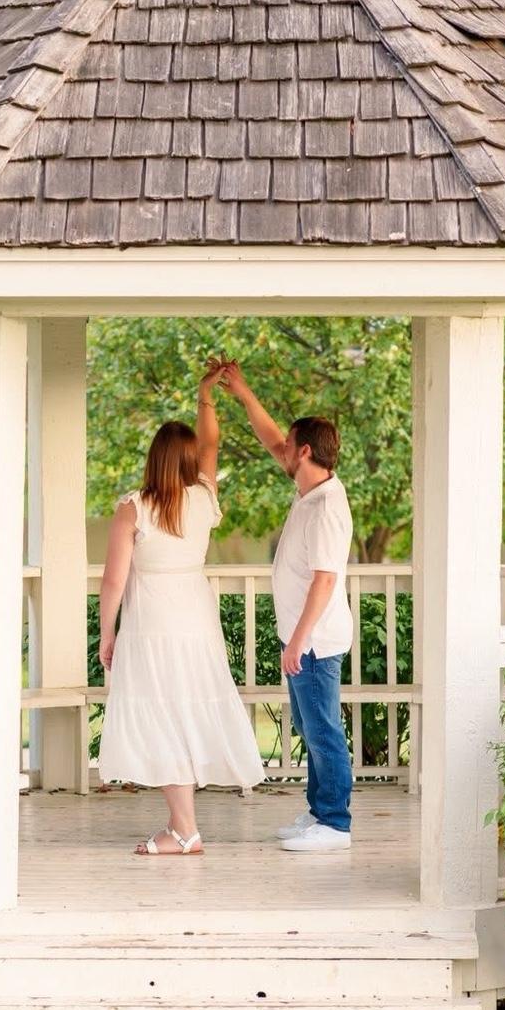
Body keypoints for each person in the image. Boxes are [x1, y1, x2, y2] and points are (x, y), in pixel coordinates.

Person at [97, 360, 265, 856]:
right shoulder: (203, 498)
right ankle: (180, 826)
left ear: (153, 460)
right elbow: (210, 445)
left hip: (151, 623)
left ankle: (186, 831)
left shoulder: (134, 507)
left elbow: (113, 580)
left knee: (162, 717)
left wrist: (107, 633)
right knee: (182, 712)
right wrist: (206, 395)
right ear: (189, 461)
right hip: (196, 620)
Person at [220, 363, 355, 853]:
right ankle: (319, 813)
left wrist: (297, 641)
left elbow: (325, 580)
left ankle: (335, 824)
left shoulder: (326, 507)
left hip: (315, 640)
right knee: (309, 726)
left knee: (323, 731)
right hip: (304, 637)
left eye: (289, 446)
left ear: (305, 452)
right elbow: (272, 437)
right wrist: (242, 391)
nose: (282, 450)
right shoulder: (310, 492)